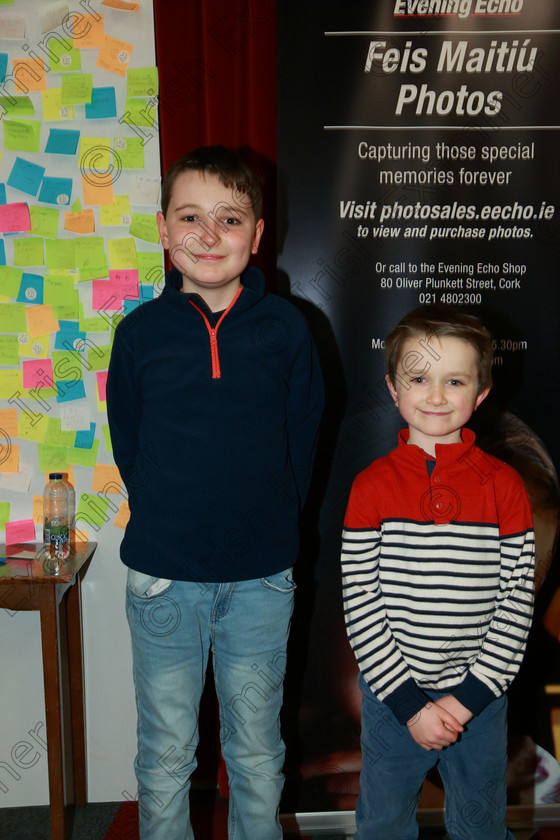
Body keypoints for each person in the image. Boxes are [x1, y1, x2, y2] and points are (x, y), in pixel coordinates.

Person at [106, 145, 324, 840]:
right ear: (164, 232)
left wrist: (264, 530)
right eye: (190, 218)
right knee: (167, 756)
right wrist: (176, 518)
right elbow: (129, 443)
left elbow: (304, 442)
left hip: (262, 579)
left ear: (257, 236)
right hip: (164, 579)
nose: (208, 235)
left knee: (257, 755)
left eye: (229, 219)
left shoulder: (289, 329)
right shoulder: (139, 334)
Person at [341, 305, 535, 840]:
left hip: (480, 697)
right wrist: (409, 704)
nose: (435, 396)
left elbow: (516, 602)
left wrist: (467, 697)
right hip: (391, 699)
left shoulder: (505, 487)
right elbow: (361, 604)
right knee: (381, 824)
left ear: (481, 393)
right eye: (419, 379)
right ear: (393, 388)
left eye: (454, 381)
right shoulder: (370, 487)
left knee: (480, 825)